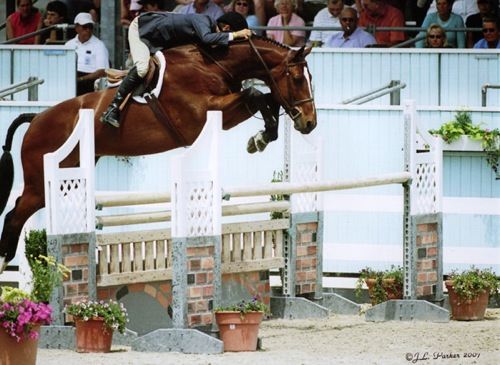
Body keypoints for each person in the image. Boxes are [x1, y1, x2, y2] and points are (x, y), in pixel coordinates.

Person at [101, 12, 253, 128]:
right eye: (230, 33)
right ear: (226, 28)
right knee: (142, 69)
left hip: (159, 41)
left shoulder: (208, 30)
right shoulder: (203, 20)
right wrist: (236, 35)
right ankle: (113, 108)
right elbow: (207, 38)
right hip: (142, 31)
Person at [65, 12, 109, 95]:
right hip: (71, 77)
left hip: (89, 81)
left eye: (90, 27)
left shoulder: (99, 45)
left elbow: (102, 71)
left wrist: (81, 79)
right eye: (85, 27)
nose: (88, 30)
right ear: (76, 27)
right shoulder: (69, 44)